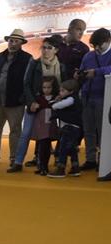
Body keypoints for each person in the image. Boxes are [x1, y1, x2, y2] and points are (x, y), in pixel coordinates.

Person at [8, 36, 65, 173]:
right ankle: (17, 162)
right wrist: (31, 101)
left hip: (54, 105)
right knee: (26, 133)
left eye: (49, 48)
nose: (45, 50)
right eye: (43, 47)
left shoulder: (61, 66)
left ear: (56, 50)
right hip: (36, 104)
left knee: (54, 133)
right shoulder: (34, 63)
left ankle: (56, 161)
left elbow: (63, 85)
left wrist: (59, 99)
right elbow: (26, 83)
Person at [0, 29, 32, 166]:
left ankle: (14, 158)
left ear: (21, 43)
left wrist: (23, 97)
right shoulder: (1, 56)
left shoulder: (27, 58)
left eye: (16, 41)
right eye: (11, 41)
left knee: (15, 130)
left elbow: (27, 80)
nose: (12, 43)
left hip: (15, 101)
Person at [78, 27, 111, 176]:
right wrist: (78, 75)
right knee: (88, 130)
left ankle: (103, 160)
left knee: (103, 131)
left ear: (108, 41)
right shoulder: (88, 56)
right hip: (87, 96)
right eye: (94, 45)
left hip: (104, 98)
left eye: (99, 44)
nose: (96, 48)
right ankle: (90, 159)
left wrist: (97, 72)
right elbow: (82, 70)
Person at [48, 79, 83, 178]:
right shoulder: (73, 99)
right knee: (72, 148)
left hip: (69, 128)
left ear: (71, 91)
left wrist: (54, 105)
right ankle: (75, 167)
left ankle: (61, 168)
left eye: (63, 91)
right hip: (74, 128)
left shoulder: (71, 99)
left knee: (63, 148)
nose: (60, 93)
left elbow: (59, 105)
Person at [30, 76, 59, 175]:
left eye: (49, 87)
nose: (46, 90)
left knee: (46, 146)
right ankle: (42, 166)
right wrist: (33, 107)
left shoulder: (56, 98)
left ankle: (44, 166)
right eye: (44, 88)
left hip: (51, 125)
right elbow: (31, 109)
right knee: (42, 146)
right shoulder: (39, 98)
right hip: (41, 125)